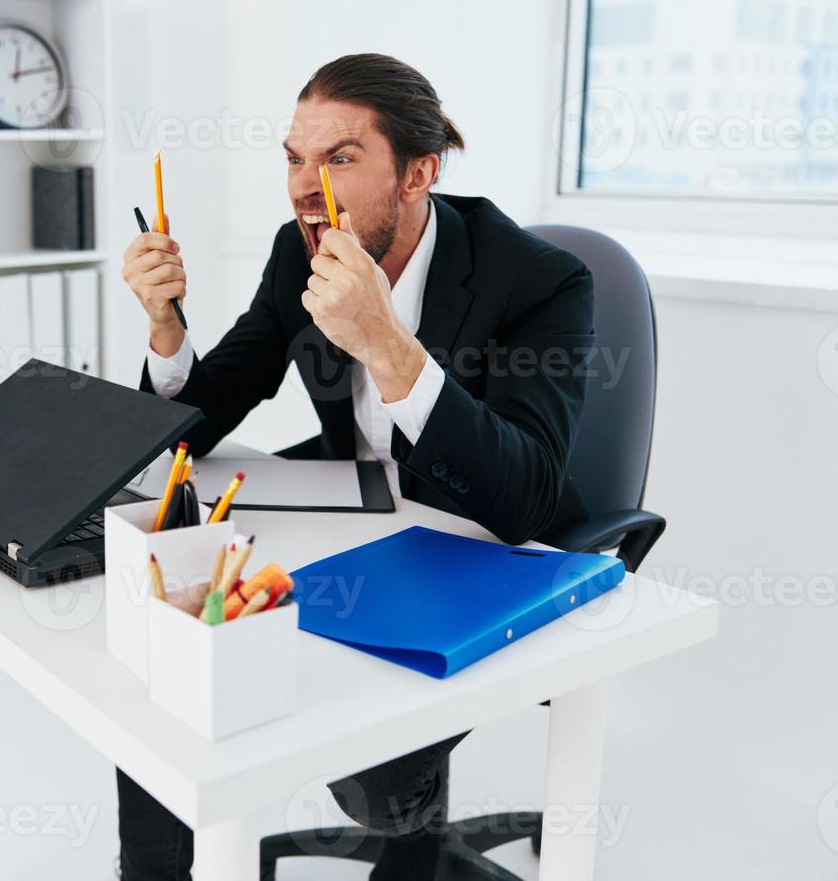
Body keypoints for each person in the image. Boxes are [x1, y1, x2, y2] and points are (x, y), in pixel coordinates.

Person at [115, 53, 596, 881]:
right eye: (295, 159)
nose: (307, 187)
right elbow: (208, 410)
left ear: (418, 174)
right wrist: (165, 327)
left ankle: (412, 846)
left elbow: (524, 497)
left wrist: (384, 341)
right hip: (362, 518)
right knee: (172, 653)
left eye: (339, 159)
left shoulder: (539, 282)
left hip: (485, 544)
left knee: (371, 771)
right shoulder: (296, 250)